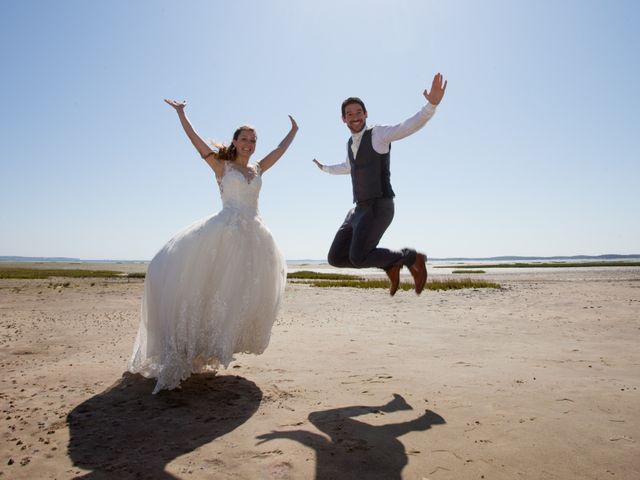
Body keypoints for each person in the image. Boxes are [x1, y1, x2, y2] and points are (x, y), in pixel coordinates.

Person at [128, 99, 298, 394]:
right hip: (224, 232)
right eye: (244, 138)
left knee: (235, 295)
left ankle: (216, 342)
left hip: (253, 237)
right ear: (234, 141)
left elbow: (280, 151)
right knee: (206, 288)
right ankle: (183, 349)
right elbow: (196, 142)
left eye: (253, 140)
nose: (249, 143)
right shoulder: (222, 165)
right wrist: (182, 114)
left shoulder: (258, 168)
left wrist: (293, 130)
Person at [313, 73, 447, 296]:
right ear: (343, 119)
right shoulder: (349, 144)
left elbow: (407, 126)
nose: (354, 117)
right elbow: (348, 167)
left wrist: (430, 105)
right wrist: (325, 168)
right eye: (349, 114)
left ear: (366, 114)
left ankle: (412, 258)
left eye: (358, 112)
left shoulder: (379, 134)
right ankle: (390, 264)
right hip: (358, 209)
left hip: (380, 204)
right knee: (335, 258)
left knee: (358, 256)